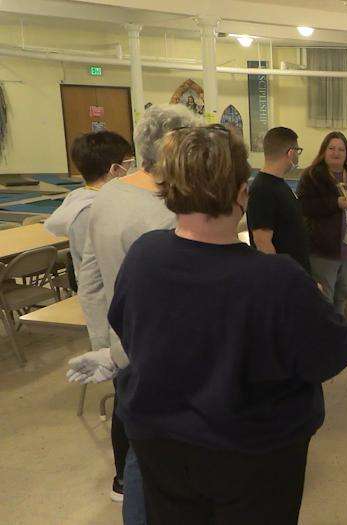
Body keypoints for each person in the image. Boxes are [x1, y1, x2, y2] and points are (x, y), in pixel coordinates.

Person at [105, 125, 347, 524]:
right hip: (254, 453)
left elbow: (127, 328)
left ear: (167, 188)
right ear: (242, 193)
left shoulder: (144, 256)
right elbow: (333, 352)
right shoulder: (278, 279)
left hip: (162, 446)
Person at [66, 104, 201, 524]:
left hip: (124, 346)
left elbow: (89, 276)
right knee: (169, 459)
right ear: (176, 148)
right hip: (167, 354)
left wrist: (106, 347)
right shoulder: (169, 210)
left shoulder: (108, 195)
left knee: (138, 450)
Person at [296, 131, 347, 318]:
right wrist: (335, 203)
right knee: (324, 296)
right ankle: (325, 330)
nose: (336, 153)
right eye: (331, 148)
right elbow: (304, 206)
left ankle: (338, 326)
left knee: (344, 293)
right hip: (324, 248)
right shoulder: (312, 176)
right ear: (323, 151)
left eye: (341, 149)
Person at [45, 131, 133, 274]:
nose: (130, 170)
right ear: (115, 169)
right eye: (128, 164)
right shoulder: (90, 211)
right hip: (103, 284)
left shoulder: (82, 198)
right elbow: (99, 265)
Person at [247, 126, 311, 274]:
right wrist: (281, 278)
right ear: (291, 153)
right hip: (285, 278)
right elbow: (262, 242)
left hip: (295, 273)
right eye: (298, 151)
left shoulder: (278, 184)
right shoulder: (262, 189)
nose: (298, 156)